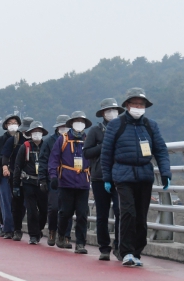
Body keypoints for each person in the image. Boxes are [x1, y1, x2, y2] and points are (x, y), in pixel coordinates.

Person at [101, 88, 171, 267]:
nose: (138, 107)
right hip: (123, 175)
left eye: (141, 104)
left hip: (144, 175)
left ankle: (137, 251)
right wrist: (107, 178)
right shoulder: (116, 125)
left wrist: (165, 173)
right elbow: (106, 153)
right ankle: (126, 252)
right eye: (135, 104)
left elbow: (161, 150)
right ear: (127, 105)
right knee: (128, 213)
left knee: (141, 215)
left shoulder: (150, 125)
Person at [84, 98, 123, 261]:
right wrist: (104, 145)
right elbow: (87, 152)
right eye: (108, 110)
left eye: (114, 110)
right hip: (100, 177)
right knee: (102, 214)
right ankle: (104, 247)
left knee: (121, 212)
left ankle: (120, 245)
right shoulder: (95, 130)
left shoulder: (123, 128)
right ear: (103, 113)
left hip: (120, 176)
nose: (112, 113)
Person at [48, 111, 91, 254]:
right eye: (76, 120)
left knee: (82, 214)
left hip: (83, 182)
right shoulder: (62, 139)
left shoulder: (88, 139)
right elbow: (53, 159)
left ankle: (80, 243)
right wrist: (53, 176)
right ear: (71, 123)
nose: (79, 123)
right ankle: (61, 235)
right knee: (65, 212)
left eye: (81, 121)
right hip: (66, 182)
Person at [38, 115, 72, 246]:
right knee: (53, 208)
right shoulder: (49, 142)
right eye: (61, 126)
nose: (64, 128)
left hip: (70, 179)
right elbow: (43, 161)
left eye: (66, 126)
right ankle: (52, 230)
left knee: (68, 208)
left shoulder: (73, 140)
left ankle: (65, 236)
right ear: (57, 127)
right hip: (53, 179)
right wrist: (43, 179)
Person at [0, 114, 22, 239]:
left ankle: (18, 227)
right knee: (6, 202)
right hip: (4, 175)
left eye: (15, 122)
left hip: (20, 175)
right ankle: (8, 228)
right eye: (10, 122)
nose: (13, 124)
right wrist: (4, 160)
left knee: (19, 203)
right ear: (6, 125)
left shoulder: (22, 139)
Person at [14, 121, 48, 244]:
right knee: (32, 210)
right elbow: (18, 166)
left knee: (44, 210)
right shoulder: (25, 146)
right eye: (34, 132)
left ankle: (39, 229)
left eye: (39, 132)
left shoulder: (47, 146)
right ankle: (33, 235)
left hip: (43, 183)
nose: (37, 134)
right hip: (29, 182)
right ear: (30, 134)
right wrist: (16, 185)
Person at [2, 117, 33, 241]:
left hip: (32, 178)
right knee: (17, 204)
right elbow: (5, 156)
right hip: (16, 176)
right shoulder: (13, 140)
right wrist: (5, 168)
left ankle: (34, 231)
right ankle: (17, 229)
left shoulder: (39, 142)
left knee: (29, 205)